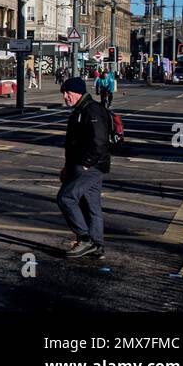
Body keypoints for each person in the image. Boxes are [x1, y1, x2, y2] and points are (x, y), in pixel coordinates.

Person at [57, 77, 110, 258]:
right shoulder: (80, 109)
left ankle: (84, 238)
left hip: (89, 166)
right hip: (84, 164)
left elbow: (100, 141)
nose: (65, 97)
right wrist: (67, 166)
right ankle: (97, 244)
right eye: (64, 93)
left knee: (66, 198)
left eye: (68, 93)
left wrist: (87, 164)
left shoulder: (92, 110)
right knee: (91, 205)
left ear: (78, 92)